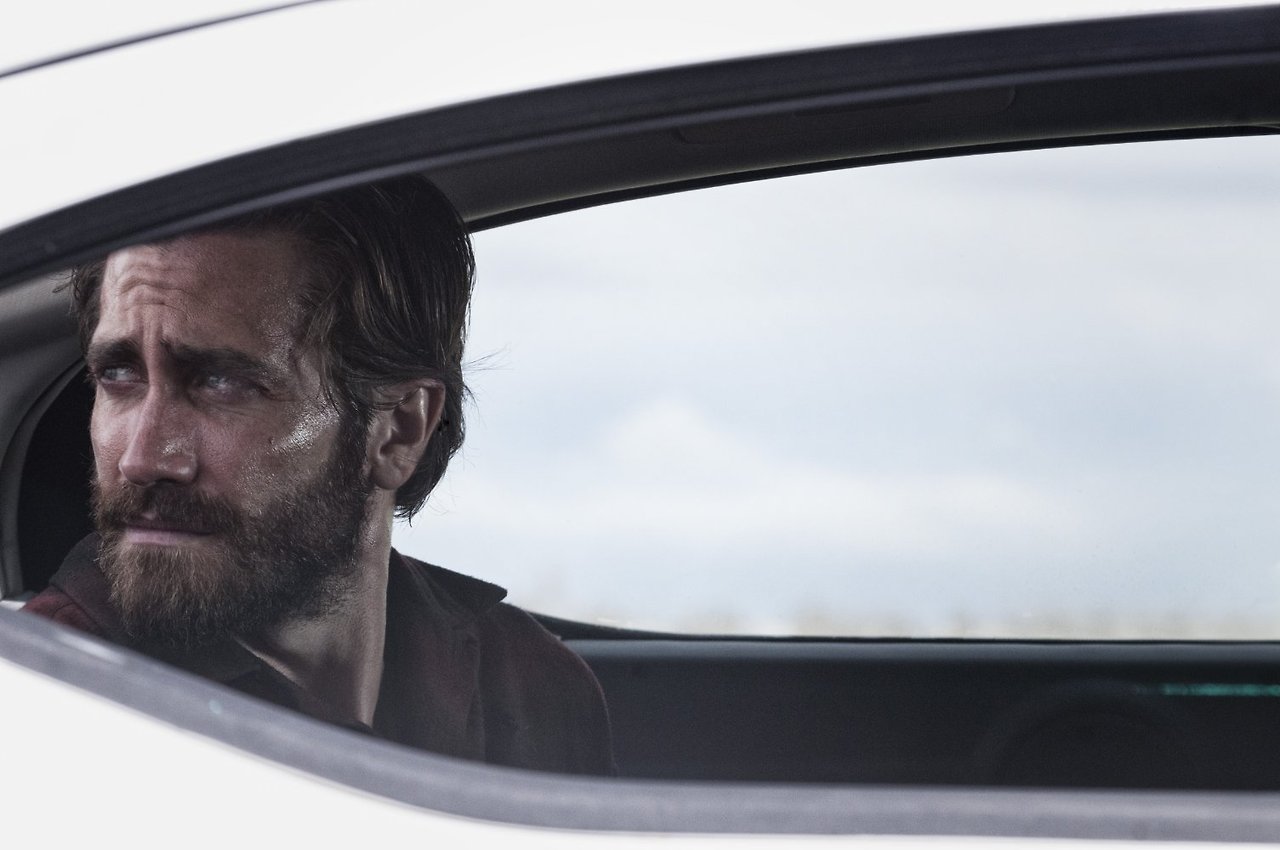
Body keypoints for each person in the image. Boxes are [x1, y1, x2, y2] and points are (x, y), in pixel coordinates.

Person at [23, 176, 615, 775]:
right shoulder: (41, 697)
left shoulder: (529, 687)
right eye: (119, 376)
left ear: (399, 429)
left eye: (222, 382)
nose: (143, 458)